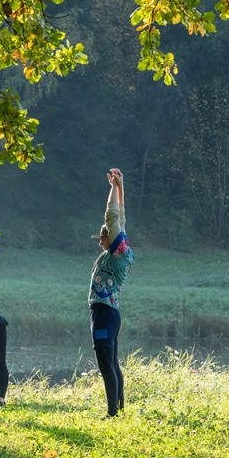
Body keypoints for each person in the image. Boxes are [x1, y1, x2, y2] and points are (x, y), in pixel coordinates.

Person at [89, 168, 135, 417]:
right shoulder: (119, 249)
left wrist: (115, 188)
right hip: (108, 313)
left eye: (103, 238)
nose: (100, 242)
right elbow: (121, 216)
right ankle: (118, 410)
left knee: (106, 364)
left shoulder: (118, 251)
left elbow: (112, 216)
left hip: (105, 314)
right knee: (112, 363)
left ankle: (112, 414)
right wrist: (118, 186)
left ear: (112, 238)